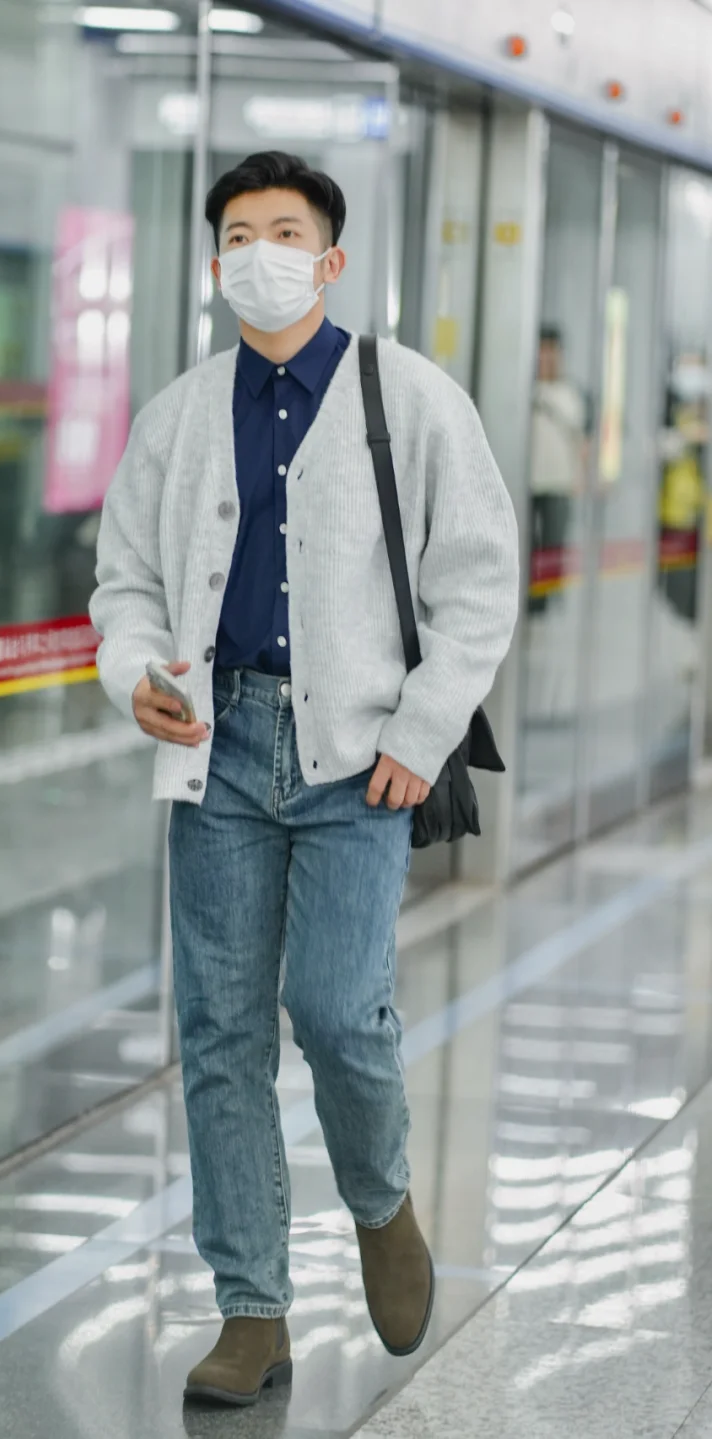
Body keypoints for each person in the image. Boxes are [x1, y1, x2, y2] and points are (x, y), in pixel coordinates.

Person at [90, 151, 519, 1407]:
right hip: (214, 745)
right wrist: (134, 672)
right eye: (239, 233)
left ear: (330, 259)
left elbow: (479, 577)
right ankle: (251, 1308)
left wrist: (423, 729)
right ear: (213, 262)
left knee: (337, 1010)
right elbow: (125, 579)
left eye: (285, 232)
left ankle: (381, 1203)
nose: (259, 252)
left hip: (362, 757)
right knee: (220, 1029)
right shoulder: (178, 416)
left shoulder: (410, 397)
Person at [528, 325, 588, 615]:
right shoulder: (526, 390)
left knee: (552, 547)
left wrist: (581, 477)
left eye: (552, 351)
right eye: (543, 351)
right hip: (526, 484)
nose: (547, 358)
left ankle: (544, 605)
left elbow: (582, 441)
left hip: (559, 484)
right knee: (525, 545)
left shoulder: (571, 395)